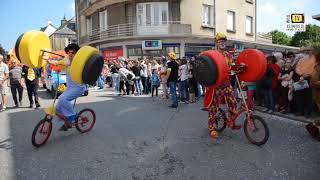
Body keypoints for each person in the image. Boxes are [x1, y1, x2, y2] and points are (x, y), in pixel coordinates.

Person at [205, 33, 239, 140]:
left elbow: (232, 66)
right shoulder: (213, 54)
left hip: (226, 82)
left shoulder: (229, 55)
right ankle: (212, 128)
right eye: (220, 42)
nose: (222, 43)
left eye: (224, 41)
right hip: (216, 84)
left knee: (233, 102)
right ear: (216, 43)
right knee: (213, 106)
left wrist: (239, 67)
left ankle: (231, 119)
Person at [47, 43, 87, 131]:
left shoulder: (79, 62)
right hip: (70, 88)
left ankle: (72, 117)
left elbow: (60, 62)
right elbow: (58, 63)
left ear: (76, 53)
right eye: (68, 52)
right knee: (59, 106)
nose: (70, 54)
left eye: (72, 52)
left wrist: (54, 62)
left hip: (79, 87)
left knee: (63, 99)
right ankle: (66, 123)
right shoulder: (66, 61)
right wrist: (50, 62)